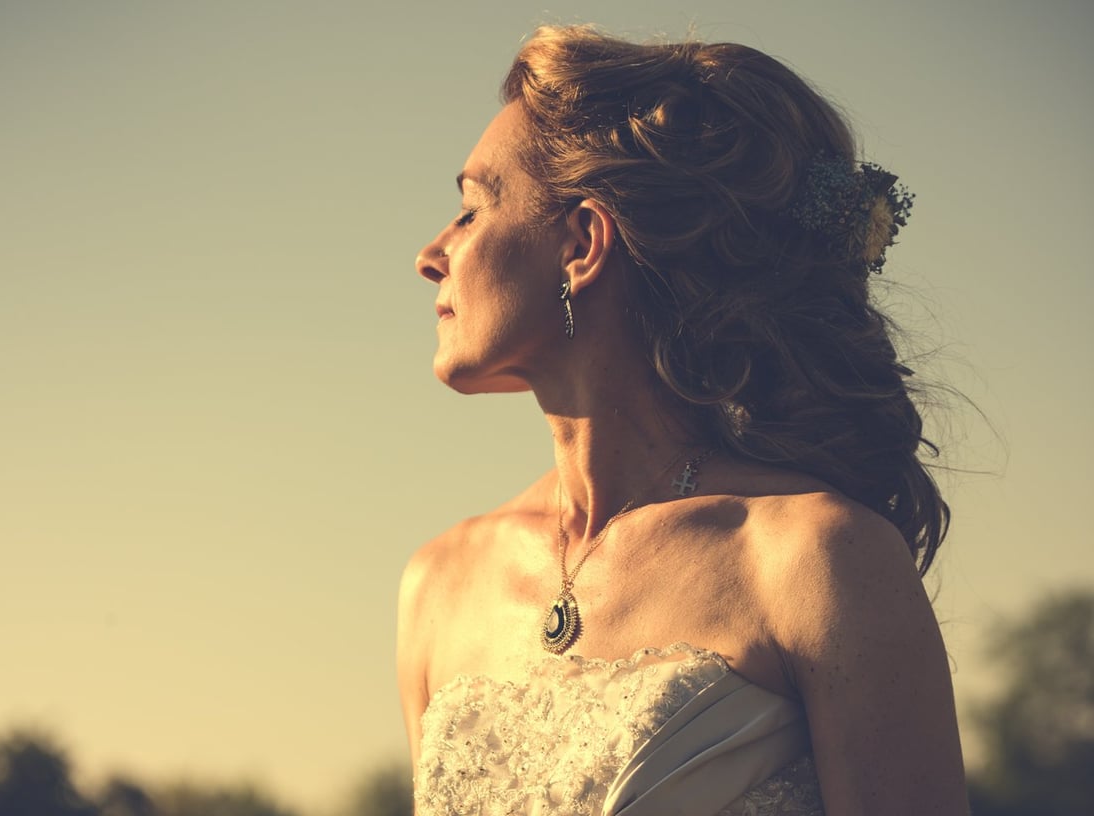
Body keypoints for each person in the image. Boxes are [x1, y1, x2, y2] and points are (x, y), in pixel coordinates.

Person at [398, 24, 968, 815]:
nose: (432, 252)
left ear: (582, 244)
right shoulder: (438, 583)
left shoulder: (815, 560)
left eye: (470, 210)